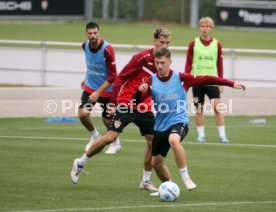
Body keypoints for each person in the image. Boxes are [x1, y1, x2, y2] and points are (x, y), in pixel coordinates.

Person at [71, 27, 171, 191]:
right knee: (111, 137)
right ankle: (80, 162)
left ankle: (145, 181)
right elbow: (120, 77)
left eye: (167, 42)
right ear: (154, 41)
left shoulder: (166, 60)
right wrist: (113, 103)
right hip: (126, 103)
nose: (165, 45)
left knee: (152, 142)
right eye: (162, 42)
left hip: (144, 107)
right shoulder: (141, 58)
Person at [134, 47, 245, 193]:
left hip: (179, 121)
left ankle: (186, 177)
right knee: (156, 163)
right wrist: (139, 92)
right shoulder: (150, 81)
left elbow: (207, 78)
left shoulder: (181, 78)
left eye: (162, 62)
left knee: (174, 140)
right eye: (157, 63)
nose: (159, 66)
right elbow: (136, 101)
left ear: (170, 62)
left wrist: (230, 83)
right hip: (160, 125)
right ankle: (170, 188)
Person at [185, 17, 229, 143]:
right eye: (203, 26)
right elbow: (189, 62)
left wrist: (221, 81)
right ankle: (201, 135)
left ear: (211, 28)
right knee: (199, 109)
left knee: (217, 108)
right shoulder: (193, 44)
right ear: (200, 28)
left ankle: (222, 135)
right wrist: (187, 79)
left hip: (212, 81)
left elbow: (219, 63)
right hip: (197, 81)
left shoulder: (217, 44)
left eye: (207, 26)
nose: (205, 29)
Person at [79, 22, 121, 154]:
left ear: (99, 33)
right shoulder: (84, 45)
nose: (92, 35)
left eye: (95, 33)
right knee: (83, 114)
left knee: (107, 119)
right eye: (90, 33)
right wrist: (86, 78)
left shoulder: (107, 49)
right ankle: (95, 136)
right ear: (86, 34)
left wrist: (98, 92)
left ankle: (116, 143)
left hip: (107, 90)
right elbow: (91, 64)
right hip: (90, 87)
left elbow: (113, 75)